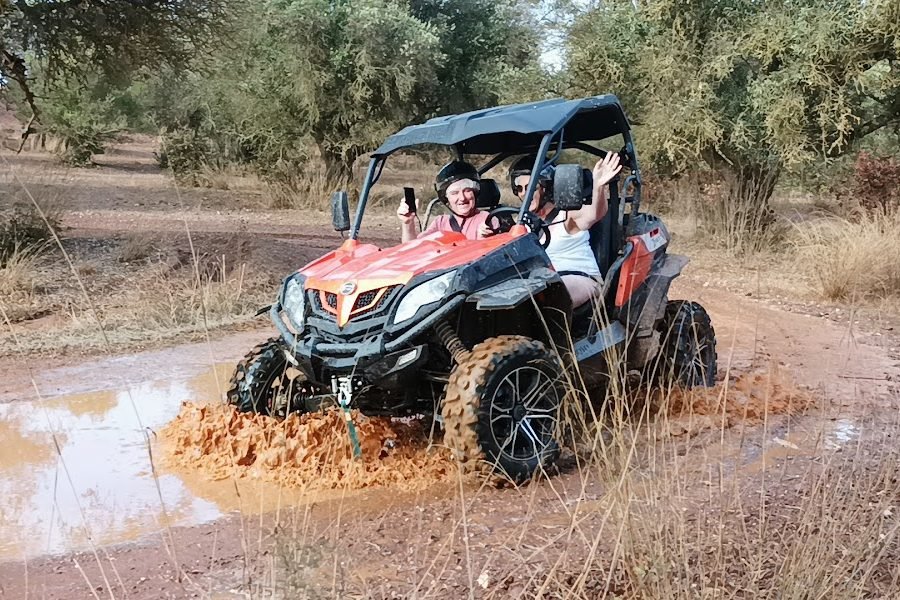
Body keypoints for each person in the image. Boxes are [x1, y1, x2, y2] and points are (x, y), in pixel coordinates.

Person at [509, 152, 622, 306]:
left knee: (549, 296)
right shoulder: (524, 223)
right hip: (540, 283)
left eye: (531, 187)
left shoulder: (568, 214)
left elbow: (595, 213)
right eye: (520, 188)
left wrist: (598, 186)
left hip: (580, 278)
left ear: (546, 186)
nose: (524, 194)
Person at [398, 160, 494, 243]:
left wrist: (484, 238)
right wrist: (408, 223)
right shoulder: (440, 223)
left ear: (475, 192)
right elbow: (413, 249)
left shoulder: (488, 219)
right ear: (445, 198)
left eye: (467, 190)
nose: (462, 198)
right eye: (454, 193)